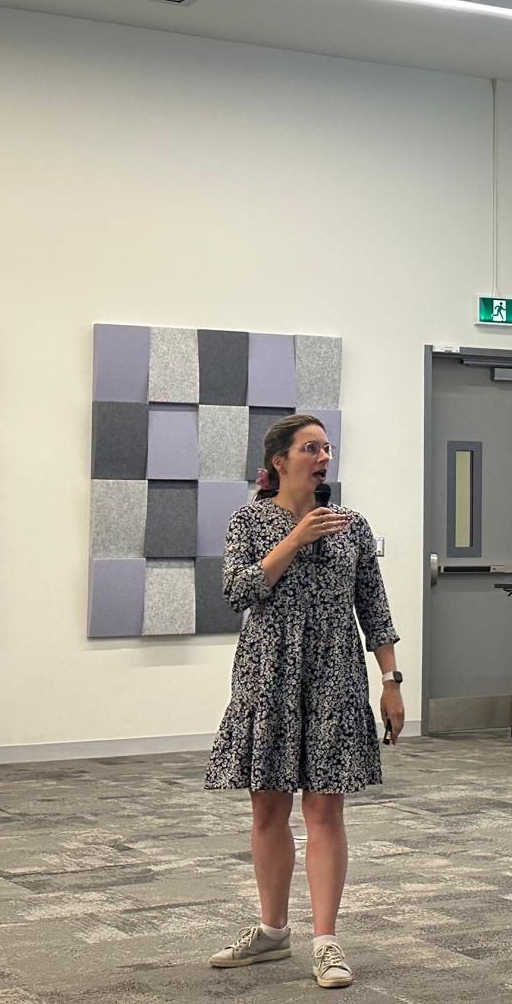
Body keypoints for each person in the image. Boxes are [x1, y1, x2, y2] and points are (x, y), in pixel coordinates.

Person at [203, 414, 404, 990]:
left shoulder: (352, 526)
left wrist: (391, 681)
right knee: (267, 810)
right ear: (280, 461)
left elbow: (375, 609)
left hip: (334, 676)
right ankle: (272, 931)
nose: (323, 457)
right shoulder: (248, 521)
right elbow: (238, 591)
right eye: (311, 448)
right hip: (268, 675)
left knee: (324, 811)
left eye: (326, 448)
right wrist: (295, 539)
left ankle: (326, 941)